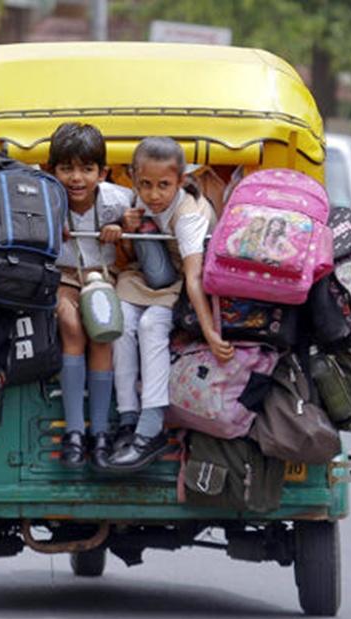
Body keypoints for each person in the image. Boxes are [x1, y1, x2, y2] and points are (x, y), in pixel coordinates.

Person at [109, 136, 235, 473]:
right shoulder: (140, 201)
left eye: (164, 185)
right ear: (134, 179)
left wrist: (210, 330)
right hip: (145, 276)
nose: (153, 194)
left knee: (152, 325)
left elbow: (194, 278)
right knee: (119, 323)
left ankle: (149, 428)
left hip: (181, 281)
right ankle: (127, 419)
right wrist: (126, 224)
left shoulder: (189, 214)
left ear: (181, 181)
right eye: (145, 184)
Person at [48, 122, 132, 470]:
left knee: (102, 332)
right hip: (62, 278)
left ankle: (98, 433)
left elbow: (138, 235)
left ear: (103, 172)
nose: (76, 178)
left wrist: (122, 230)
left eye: (87, 168)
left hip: (102, 278)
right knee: (71, 325)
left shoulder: (117, 201)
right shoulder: (44, 199)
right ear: (52, 171)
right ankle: (72, 432)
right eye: (66, 168)